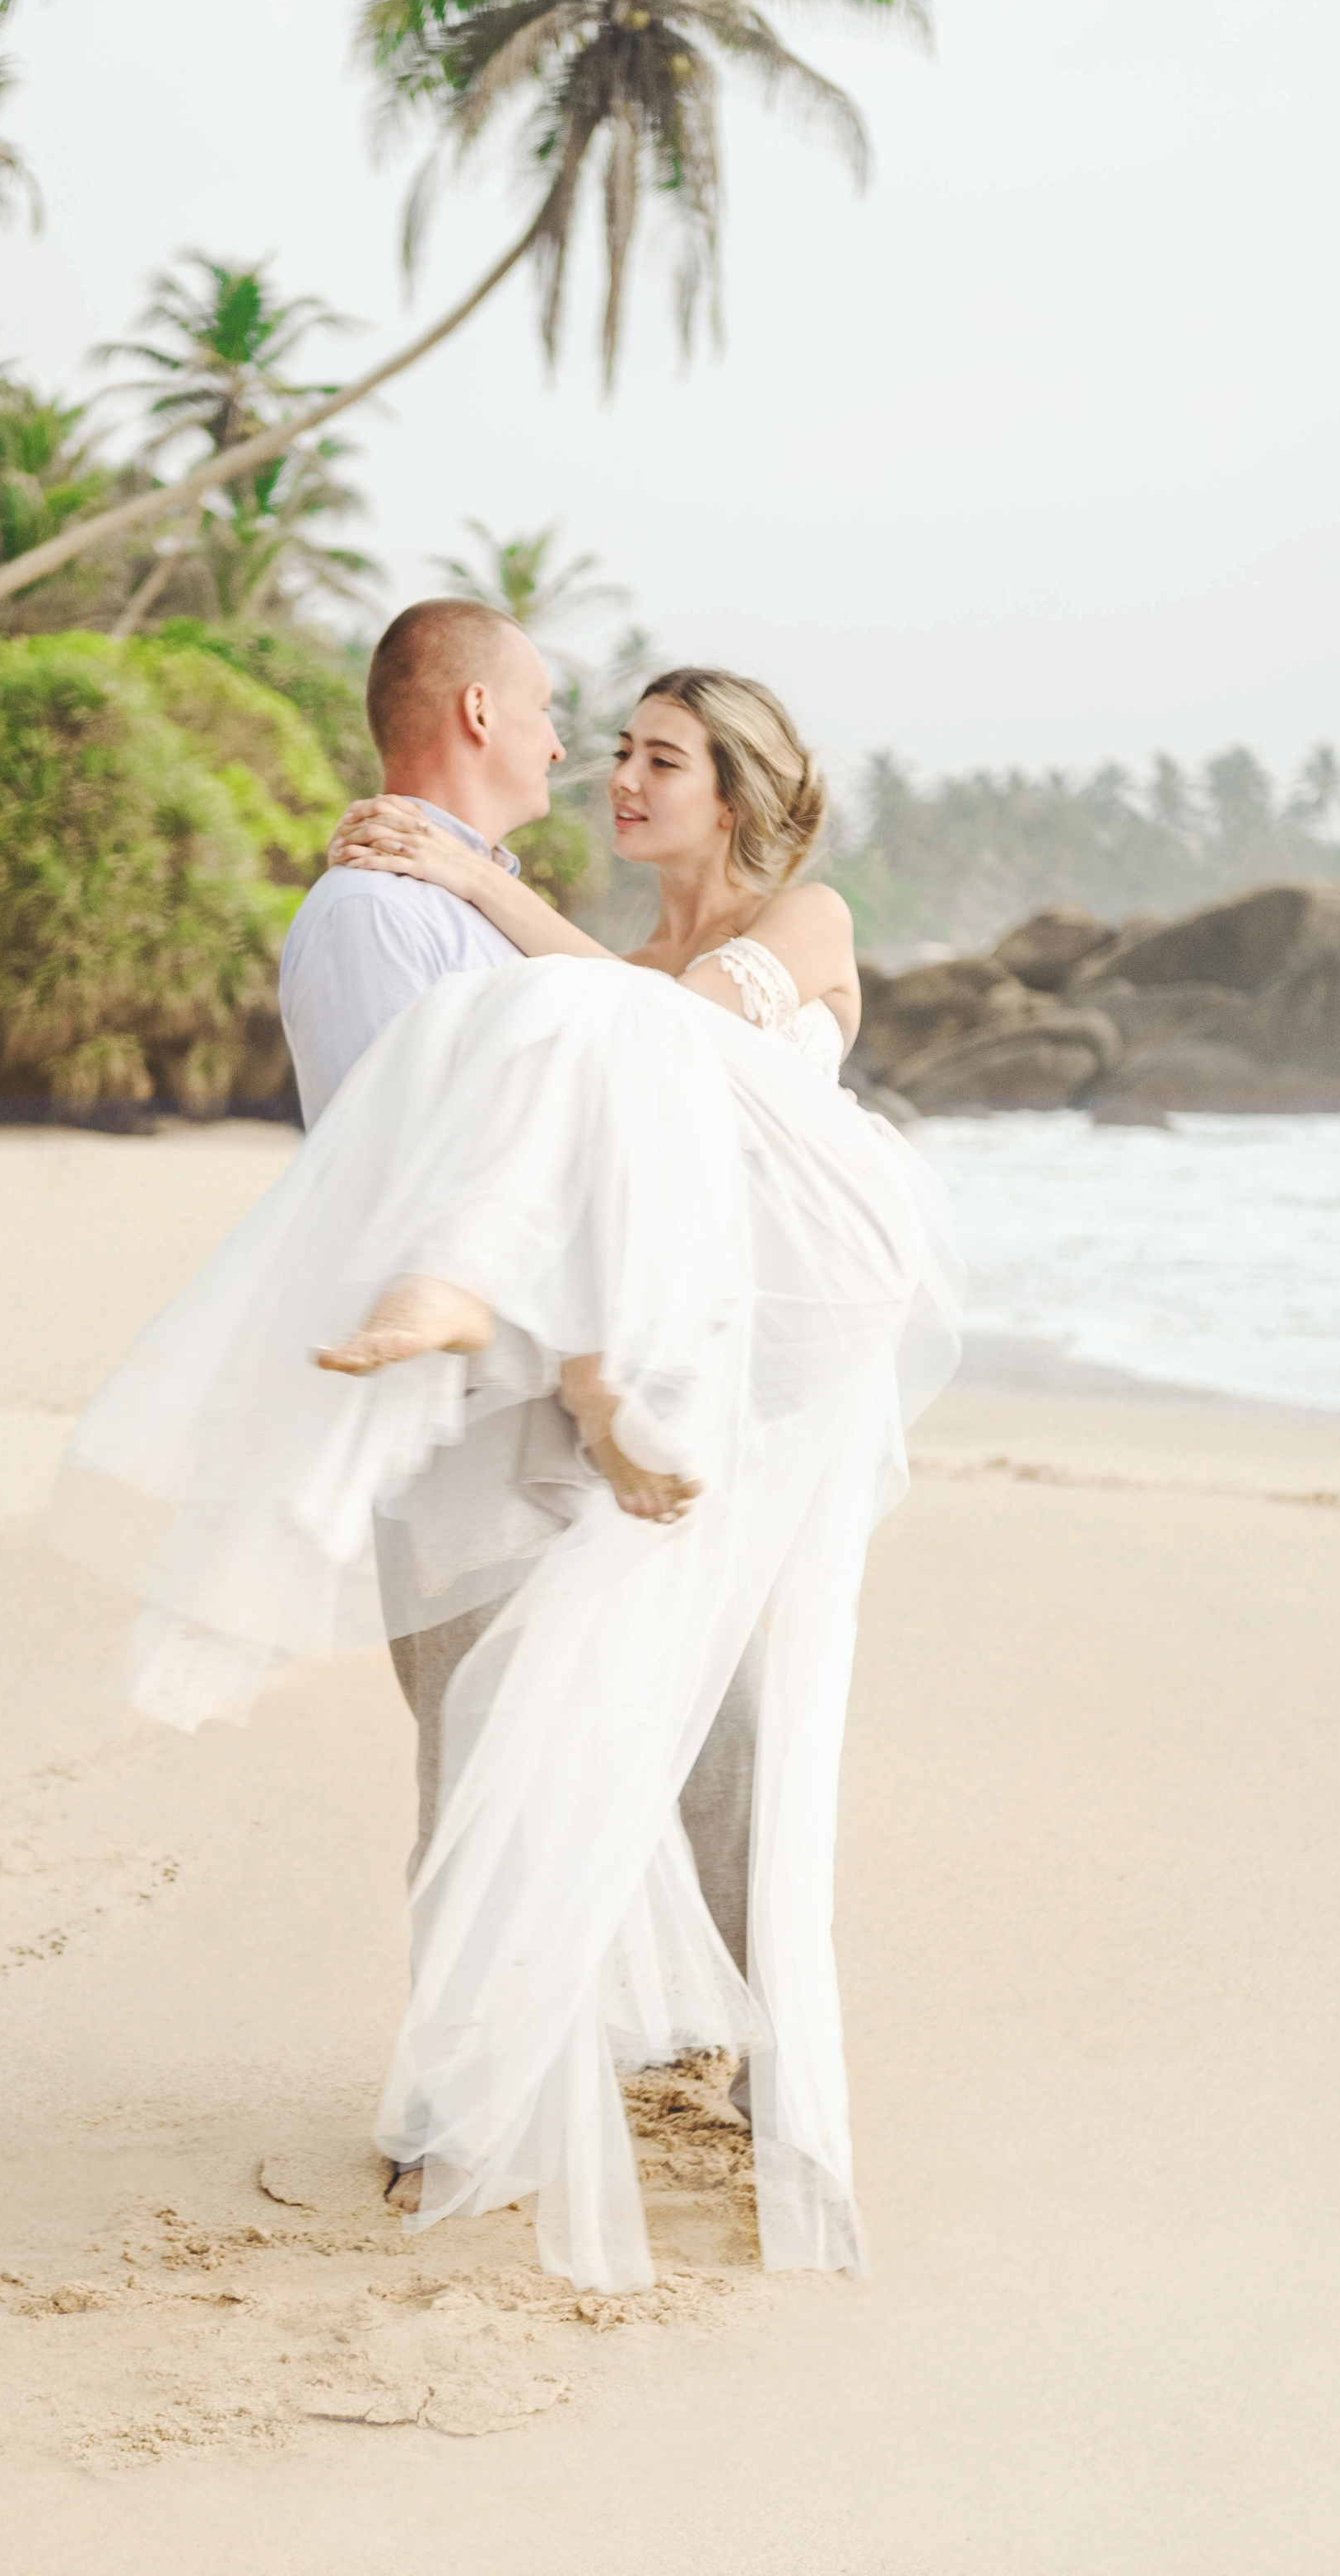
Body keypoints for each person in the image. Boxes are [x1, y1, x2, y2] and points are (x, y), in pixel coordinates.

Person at [58, 640, 959, 2295]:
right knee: (644, 1714)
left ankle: (517, 1325)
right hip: (683, 1316)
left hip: (819, 1277)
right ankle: (582, 2051)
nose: (617, 776)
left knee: (564, 1023)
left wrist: (476, 885)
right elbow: (595, 1080)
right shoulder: (588, 965)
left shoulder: (794, 927)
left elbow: (665, 1040)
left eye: (660, 758)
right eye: (609, 746)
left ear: (742, 796)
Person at [277, 602, 769, 2156]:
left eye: (641, 750)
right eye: (560, 713)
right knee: (489, 1762)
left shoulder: (477, 907)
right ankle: (462, 2112)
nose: (575, 749)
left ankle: (731, 2056)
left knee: (699, 1736)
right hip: (479, 1417)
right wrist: (580, 1371)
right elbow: (433, 1180)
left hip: (589, 1404)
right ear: (481, 713)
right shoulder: (377, 912)